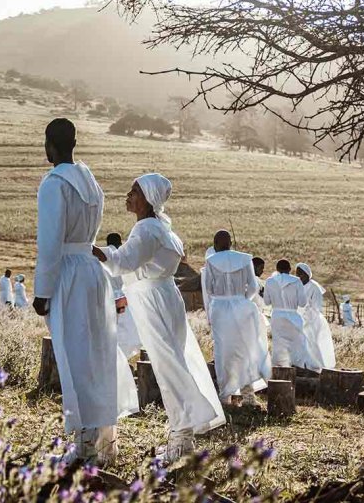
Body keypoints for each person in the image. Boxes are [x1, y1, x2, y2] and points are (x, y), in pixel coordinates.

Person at [93, 173, 224, 464]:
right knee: (174, 362)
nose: (128, 195)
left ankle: (181, 436)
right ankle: (183, 434)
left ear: (149, 198)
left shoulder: (146, 230)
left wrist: (87, 249)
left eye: (134, 191)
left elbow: (122, 263)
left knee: (168, 367)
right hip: (163, 297)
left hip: (152, 302)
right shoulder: (162, 230)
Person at [33, 118, 137, 466]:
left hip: (67, 274)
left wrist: (41, 290)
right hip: (93, 273)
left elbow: (49, 244)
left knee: (74, 356)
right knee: (97, 354)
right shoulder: (90, 183)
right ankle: (101, 437)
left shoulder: (54, 184)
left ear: (50, 145)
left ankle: (86, 443)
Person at [202, 230, 270, 406]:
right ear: (230, 243)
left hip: (220, 308)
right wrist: (242, 299)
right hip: (242, 307)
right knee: (246, 349)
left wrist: (222, 298)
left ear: (215, 245)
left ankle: (225, 395)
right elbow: (254, 286)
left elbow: (208, 288)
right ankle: (248, 395)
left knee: (223, 351)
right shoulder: (245, 258)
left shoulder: (210, 261)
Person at [264, 259, 318, 370]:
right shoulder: (297, 281)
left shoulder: (270, 281)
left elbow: (267, 302)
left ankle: (279, 369)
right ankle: (297, 368)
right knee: (297, 345)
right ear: (289, 269)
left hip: (277, 316)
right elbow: (302, 303)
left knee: (279, 344)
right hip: (293, 316)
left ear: (277, 269)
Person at [105, 232, 142, 359]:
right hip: (123, 297)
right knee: (124, 330)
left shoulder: (102, 257)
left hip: (108, 297)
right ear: (120, 242)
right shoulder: (122, 256)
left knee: (111, 330)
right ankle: (122, 359)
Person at [295, 263, 336, 370]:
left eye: (301, 274)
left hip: (312, 320)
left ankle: (315, 366)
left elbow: (315, 307)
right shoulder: (298, 286)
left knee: (312, 343)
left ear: (307, 274)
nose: (299, 277)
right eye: (297, 274)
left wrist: (306, 320)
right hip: (300, 319)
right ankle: (302, 365)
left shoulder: (314, 288)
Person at [251, 256, 270, 328]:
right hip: (253, 314)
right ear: (254, 267)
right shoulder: (254, 280)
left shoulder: (257, 280)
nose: (262, 271)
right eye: (261, 268)